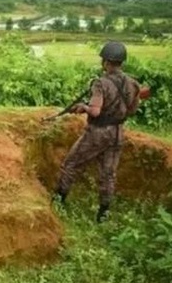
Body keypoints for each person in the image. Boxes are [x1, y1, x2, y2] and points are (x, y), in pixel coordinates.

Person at [53, 41, 143, 223]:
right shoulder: (132, 83)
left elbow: (95, 111)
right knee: (108, 174)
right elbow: (132, 110)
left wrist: (83, 107)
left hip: (98, 132)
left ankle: (58, 202)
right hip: (117, 133)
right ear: (121, 62)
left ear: (106, 62)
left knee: (71, 164)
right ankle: (103, 214)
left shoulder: (101, 83)